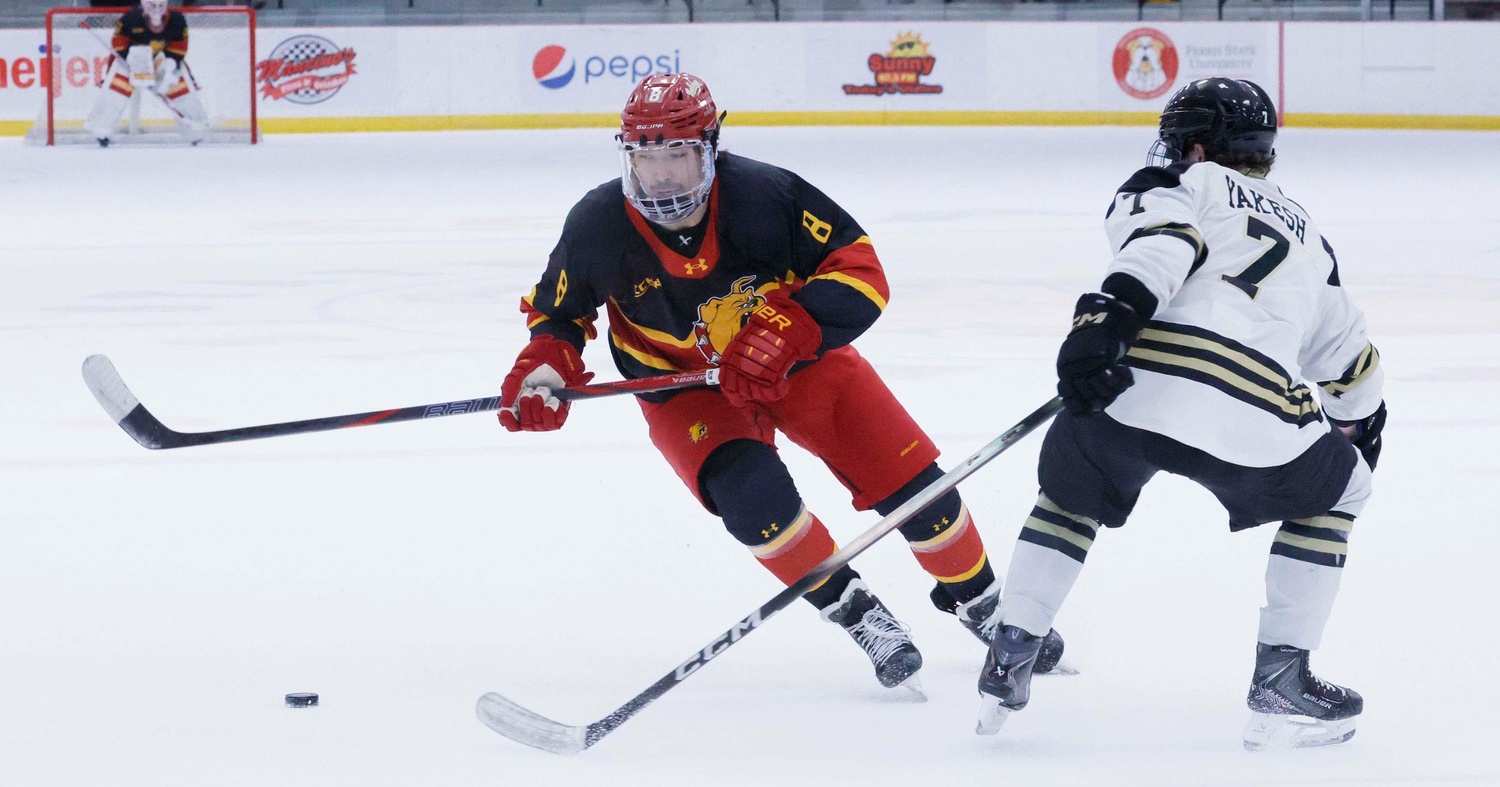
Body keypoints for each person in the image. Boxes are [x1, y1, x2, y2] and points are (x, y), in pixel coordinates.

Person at [499, 72, 1066, 692]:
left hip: (798, 365)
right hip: (681, 387)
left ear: (710, 146)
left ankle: (980, 600)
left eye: (677, 155)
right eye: (645, 156)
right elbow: (560, 312)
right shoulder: (598, 222)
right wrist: (546, 369)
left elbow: (860, 268)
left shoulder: (765, 195)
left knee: (913, 489)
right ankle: (858, 613)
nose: (660, 175)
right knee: (755, 506)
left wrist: (792, 327)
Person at [973, 78, 1386, 749]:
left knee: (1070, 494)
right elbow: (1349, 357)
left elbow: (1161, 244)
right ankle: (1283, 677)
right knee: (1344, 489)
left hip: (1141, 384)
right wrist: (1359, 427)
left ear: (1195, 144)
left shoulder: (1179, 182)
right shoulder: (1311, 236)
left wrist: (1104, 324)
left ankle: (1013, 644)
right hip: (1255, 412)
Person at [85, 0, 209, 146]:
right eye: (152, 5)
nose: (156, 10)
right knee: (117, 89)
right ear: (144, 4)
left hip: (162, 61)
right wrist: (132, 59)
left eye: (160, 5)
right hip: (130, 63)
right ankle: (101, 128)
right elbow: (118, 44)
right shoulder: (130, 19)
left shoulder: (177, 20)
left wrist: (169, 64)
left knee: (178, 85)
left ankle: (195, 128)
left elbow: (179, 47)